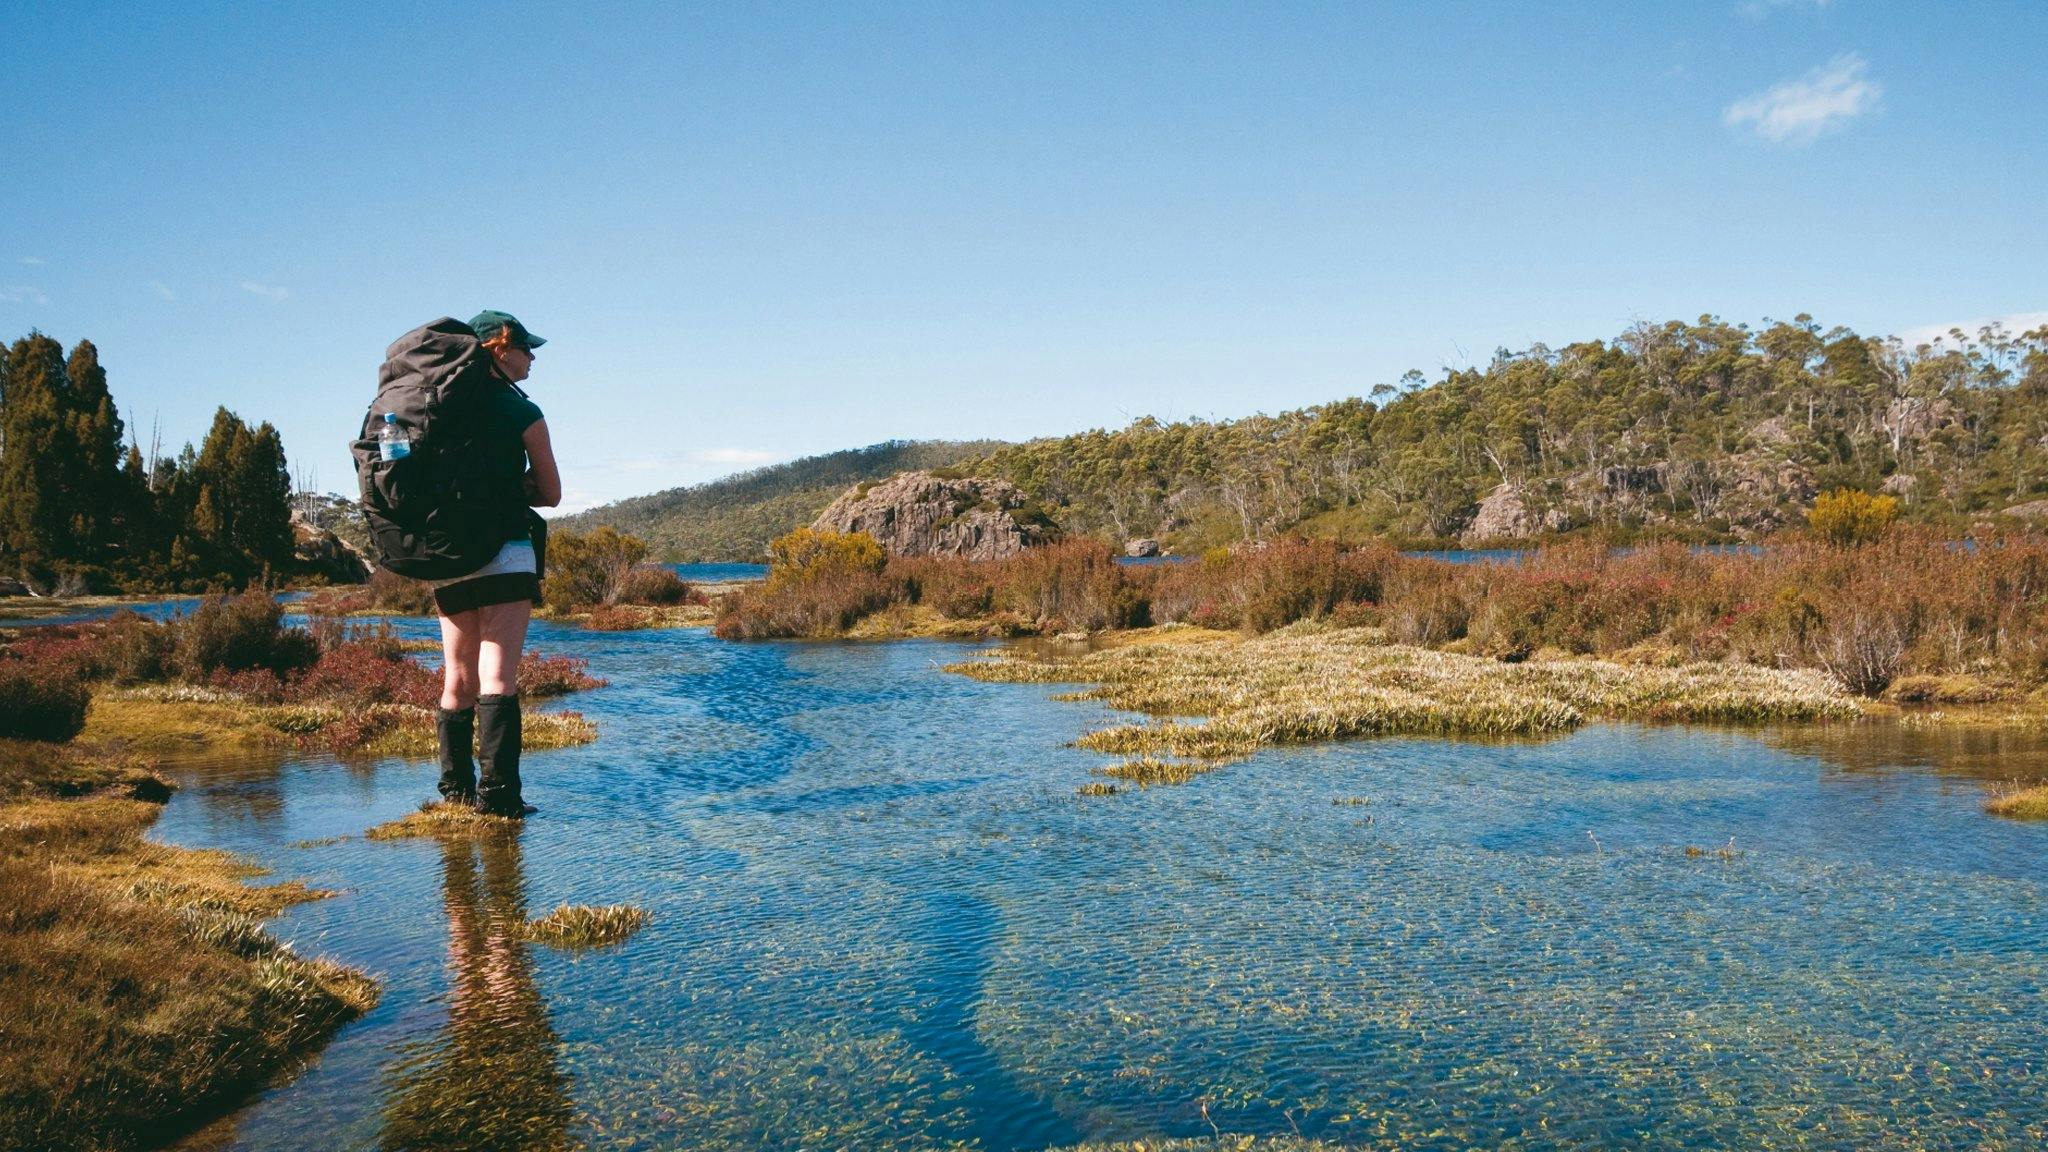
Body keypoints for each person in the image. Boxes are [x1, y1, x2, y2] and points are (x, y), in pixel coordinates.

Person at [430, 310, 561, 818]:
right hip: (506, 550)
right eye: (526, 349)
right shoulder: (519, 409)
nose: (532, 360)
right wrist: (516, 487)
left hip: (447, 559)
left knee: (456, 678)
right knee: (498, 677)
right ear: (500, 349)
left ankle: (455, 794)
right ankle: (501, 799)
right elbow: (551, 492)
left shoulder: (436, 405)